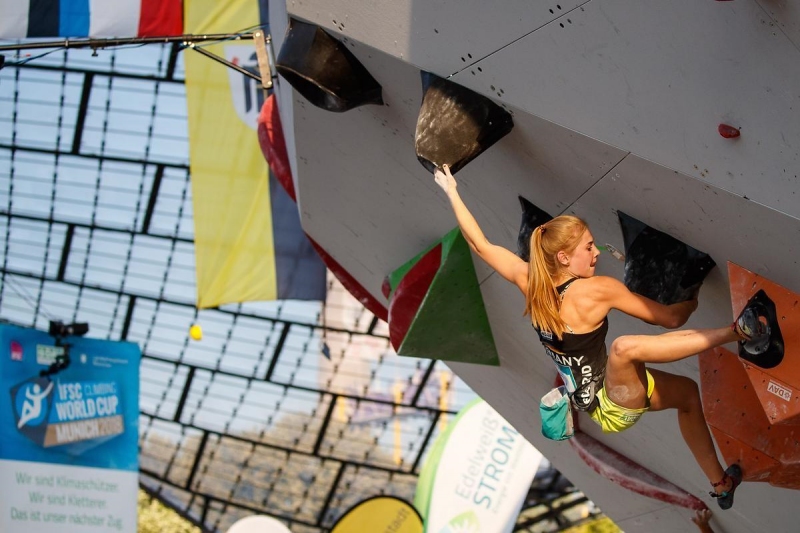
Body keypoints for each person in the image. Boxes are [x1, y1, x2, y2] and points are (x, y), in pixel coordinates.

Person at [433, 164, 769, 509]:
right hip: (611, 401)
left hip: (595, 399)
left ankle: (721, 484)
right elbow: (669, 319)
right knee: (625, 349)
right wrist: (691, 298)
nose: (597, 254)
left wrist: (452, 192)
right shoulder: (597, 291)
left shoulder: (531, 282)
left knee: (687, 397)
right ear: (564, 257)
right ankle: (738, 331)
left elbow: (479, 244)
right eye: (589, 248)